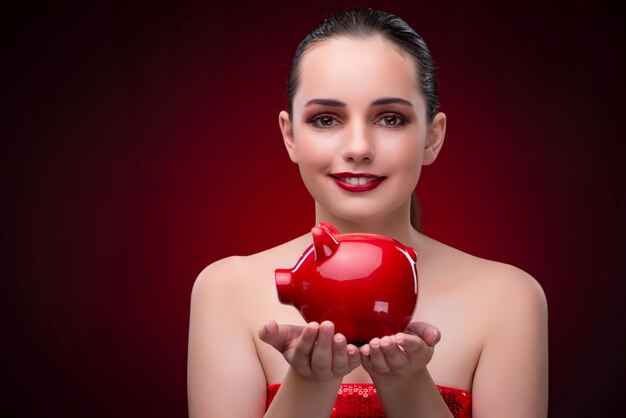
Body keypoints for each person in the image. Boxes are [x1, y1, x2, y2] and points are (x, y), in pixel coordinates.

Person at [187, 7, 548, 418]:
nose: (358, 147)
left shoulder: (508, 299)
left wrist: (408, 383)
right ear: (290, 136)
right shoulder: (225, 291)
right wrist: (310, 382)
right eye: (326, 119)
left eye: (390, 118)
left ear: (433, 137)